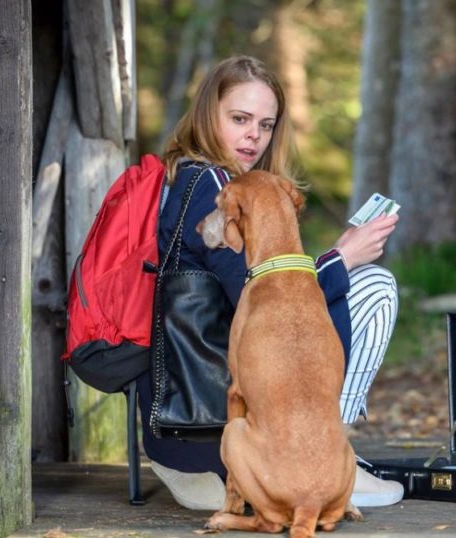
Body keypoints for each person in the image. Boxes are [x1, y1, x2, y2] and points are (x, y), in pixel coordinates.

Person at [136, 55, 403, 510]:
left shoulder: (186, 176)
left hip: (182, 419)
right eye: (239, 119)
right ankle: (324, 453)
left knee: (346, 278)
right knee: (373, 285)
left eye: (265, 124)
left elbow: (262, 290)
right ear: (207, 113)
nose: (253, 136)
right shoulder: (214, 187)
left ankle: (319, 449)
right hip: (211, 426)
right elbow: (267, 303)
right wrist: (342, 258)